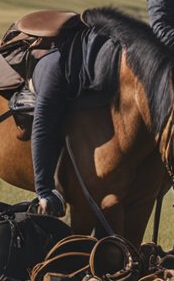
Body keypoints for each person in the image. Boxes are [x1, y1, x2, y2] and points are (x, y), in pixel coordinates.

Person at [31, 23, 119, 215]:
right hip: (56, 72)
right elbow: (41, 128)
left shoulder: (111, 64)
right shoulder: (56, 73)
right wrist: (44, 191)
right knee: (48, 120)